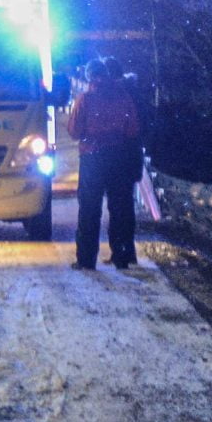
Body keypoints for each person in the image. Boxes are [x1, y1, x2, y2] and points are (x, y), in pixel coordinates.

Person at [67, 57, 144, 270]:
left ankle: (86, 259)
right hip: (118, 157)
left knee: (89, 209)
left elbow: (74, 131)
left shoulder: (86, 99)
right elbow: (133, 129)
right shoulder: (123, 97)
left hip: (92, 158)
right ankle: (121, 256)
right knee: (120, 207)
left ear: (90, 77)